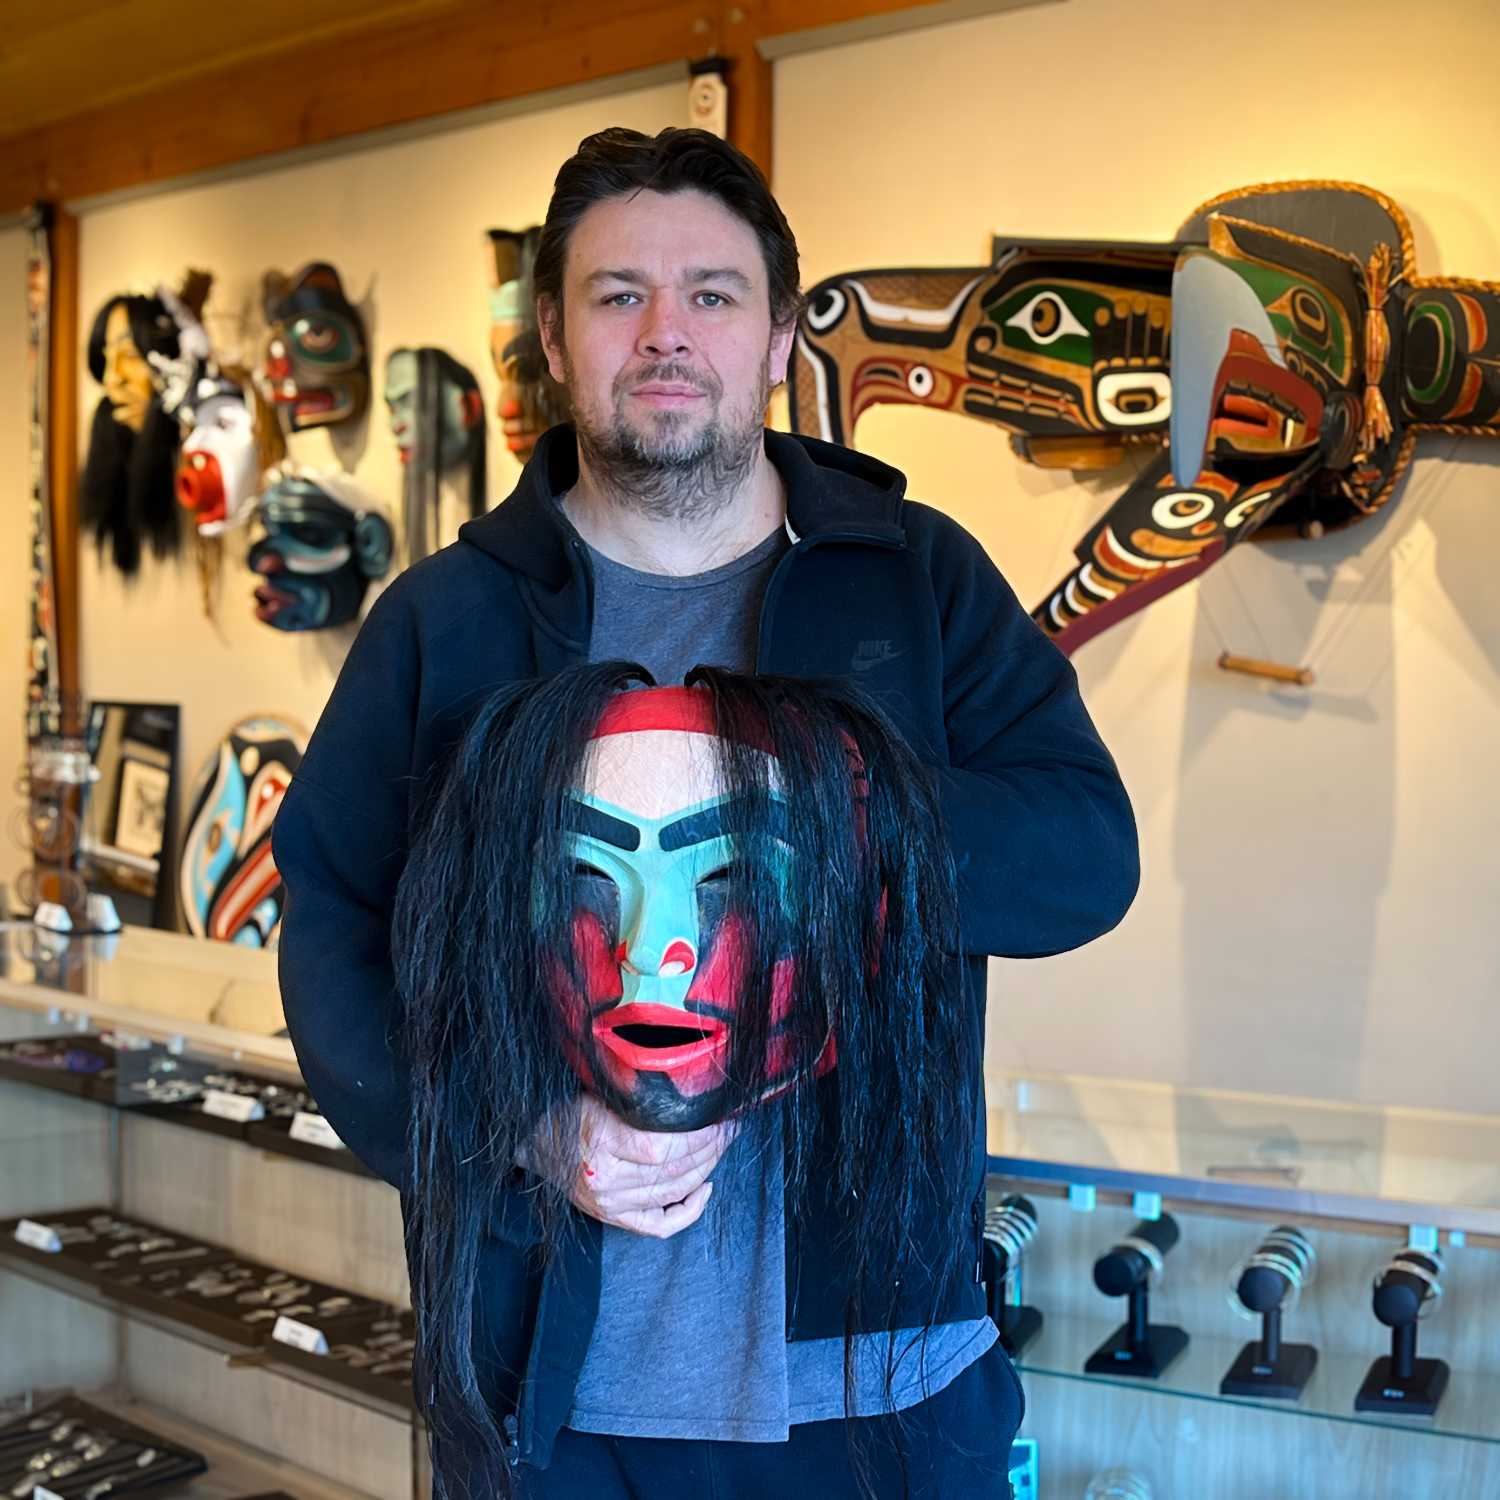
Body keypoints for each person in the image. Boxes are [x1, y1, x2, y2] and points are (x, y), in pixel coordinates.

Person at [273, 125, 1140, 1499]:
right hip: (547, 1389)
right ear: (553, 340)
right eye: (618, 295)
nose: (665, 332)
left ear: (784, 334)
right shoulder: (450, 620)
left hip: (882, 1389)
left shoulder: (912, 581)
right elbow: (327, 919)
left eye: (713, 294)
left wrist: (837, 810)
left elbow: (1085, 859)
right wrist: (508, 1128)